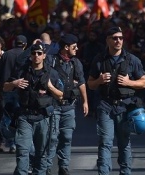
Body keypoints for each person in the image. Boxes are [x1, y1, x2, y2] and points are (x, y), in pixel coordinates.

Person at [87, 27, 145, 175]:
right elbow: (90, 84)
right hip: (105, 105)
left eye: (120, 38)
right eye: (114, 38)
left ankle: (125, 171)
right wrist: (99, 80)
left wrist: (129, 83)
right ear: (108, 40)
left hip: (125, 106)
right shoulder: (99, 59)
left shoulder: (132, 60)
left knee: (124, 143)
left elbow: (144, 82)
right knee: (105, 142)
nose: (118, 41)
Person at [4, 43, 63, 175]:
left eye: (39, 53)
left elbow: (61, 95)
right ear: (30, 55)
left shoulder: (51, 73)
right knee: (22, 150)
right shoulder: (21, 71)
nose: (36, 56)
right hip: (25, 116)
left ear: (44, 55)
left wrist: (50, 87)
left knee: (41, 153)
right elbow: (5, 87)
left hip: (43, 118)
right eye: (33, 53)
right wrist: (14, 83)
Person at [46, 34, 88, 175]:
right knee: (52, 138)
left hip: (69, 106)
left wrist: (85, 102)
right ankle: (46, 166)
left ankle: (63, 166)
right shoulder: (51, 61)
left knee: (67, 137)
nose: (76, 49)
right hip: (54, 105)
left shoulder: (75, 63)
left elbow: (81, 82)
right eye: (74, 47)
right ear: (66, 47)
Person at [0, 35, 28, 153]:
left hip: (7, 88)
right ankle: (16, 142)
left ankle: (9, 141)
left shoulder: (6, 54)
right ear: (25, 44)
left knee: (8, 116)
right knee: (19, 117)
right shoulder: (27, 55)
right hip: (21, 90)